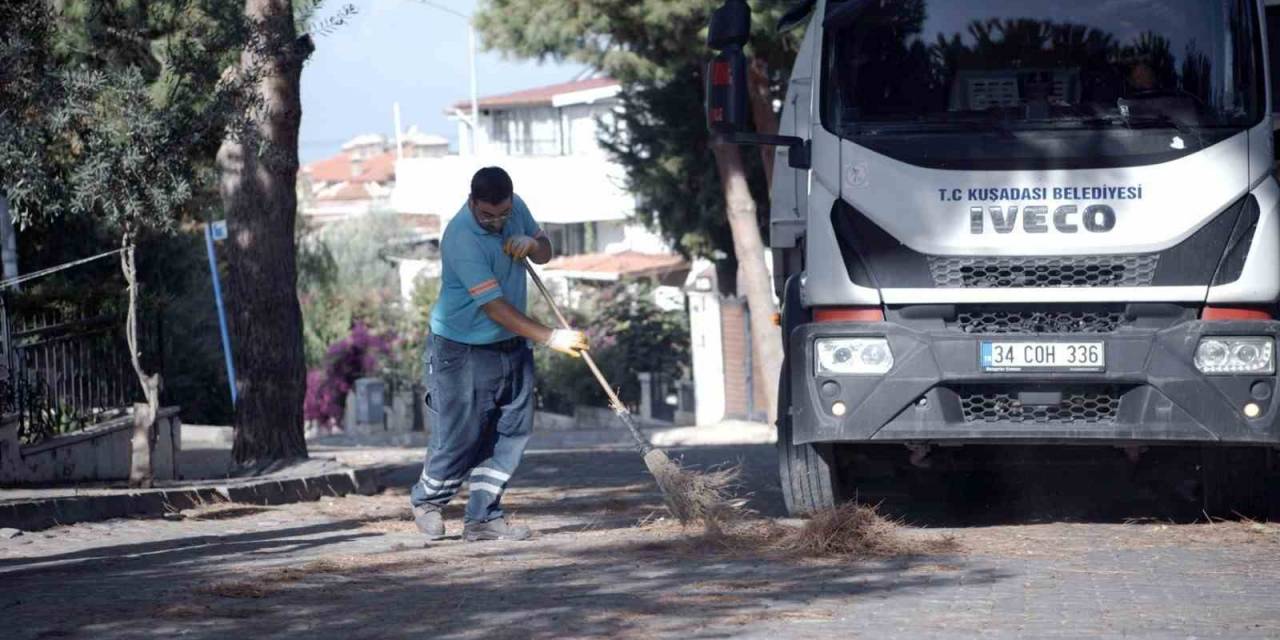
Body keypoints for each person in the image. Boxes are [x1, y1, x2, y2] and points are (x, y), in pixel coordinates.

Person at [411, 167, 589, 542]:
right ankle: (427, 500)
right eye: (487, 215)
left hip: (511, 343)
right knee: (462, 435)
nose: (496, 222)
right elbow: (494, 307)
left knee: (510, 431)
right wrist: (552, 337)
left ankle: (483, 517)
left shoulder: (515, 208)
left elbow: (545, 252)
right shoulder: (461, 237)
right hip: (461, 347)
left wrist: (532, 244)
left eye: (503, 214)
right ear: (472, 202)